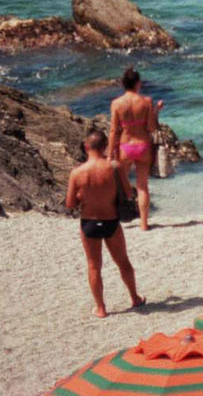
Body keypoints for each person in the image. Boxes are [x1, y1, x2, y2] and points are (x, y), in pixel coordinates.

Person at [65, 129, 143, 317]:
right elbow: (129, 193)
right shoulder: (115, 167)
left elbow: (70, 204)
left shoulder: (77, 173)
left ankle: (100, 308)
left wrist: (81, 196)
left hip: (89, 223)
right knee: (123, 262)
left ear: (86, 146)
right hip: (111, 221)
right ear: (105, 147)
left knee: (94, 266)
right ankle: (134, 298)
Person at [109, 67, 159, 231]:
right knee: (142, 187)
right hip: (143, 145)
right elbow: (151, 127)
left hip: (125, 146)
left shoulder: (116, 103)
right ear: (138, 83)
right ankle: (144, 224)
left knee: (119, 187)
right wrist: (156, 111)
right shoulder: (146, 101)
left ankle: (115, 222)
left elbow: (114, 131)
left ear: (123, 84)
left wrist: (109, 154)